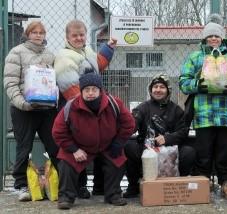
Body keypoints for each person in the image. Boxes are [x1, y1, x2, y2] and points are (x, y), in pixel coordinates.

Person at [179, 14, 227, 200]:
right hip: (204, 115)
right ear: (204, 38)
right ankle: (203, 183)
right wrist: (197, 85)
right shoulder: (195, 58)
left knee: (226, 151)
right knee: (204, 152)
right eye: (210, 36)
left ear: (222, 38)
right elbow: (183, 82)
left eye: (216, 36)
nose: (213, 39)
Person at [52, 72, 135, 210]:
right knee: (66, 163)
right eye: (86, 90)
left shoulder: (114, 103)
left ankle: (113, 194)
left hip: (108, 145)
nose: (90, 93)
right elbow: (58, 131)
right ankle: (66, 197)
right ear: (81, 91)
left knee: (118, 161)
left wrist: (118, 142)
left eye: (94, 89)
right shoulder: (71, 106)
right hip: (80, 147)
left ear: (100, 90)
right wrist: (74, 149)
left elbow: (129, 124)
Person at [54, 19, 117, 198]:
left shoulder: (86, 51)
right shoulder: (64, 57)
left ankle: (95, 187)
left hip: (91, 105)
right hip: (76, 108)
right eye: (74, 35)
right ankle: (78, 188)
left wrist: (109, 47)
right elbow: (71, 89)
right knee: (76, 147)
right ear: (67, 37)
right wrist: (88, 106)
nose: (79, 38)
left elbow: (99, 64)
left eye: (82, 34)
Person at [3, 21, 59, 201]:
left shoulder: (50, 55)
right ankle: (21, 185)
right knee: (23, 147)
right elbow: (10, 83)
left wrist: (53, 98)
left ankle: (58, 182)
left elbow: (53, 81)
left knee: (54, 146)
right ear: (27, 34)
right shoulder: (16, 52)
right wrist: (23, 103)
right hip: (23, 109)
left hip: (46, 109)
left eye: (41, 32)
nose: (38, 35)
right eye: (34, 32)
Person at [123, 74, 196, 198]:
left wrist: (167, 138)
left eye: (162, 87)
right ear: (150, 90)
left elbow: (183, 131)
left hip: (170, 151)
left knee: (189, 152)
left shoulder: (176, 110)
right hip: (147, 150)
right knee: (129, 147)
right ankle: (133, 186)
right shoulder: (143, 107)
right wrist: (130, 124)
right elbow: (132, 123)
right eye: (155, 87)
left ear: (168, 90)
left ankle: (178, 185)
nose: (158, 89)